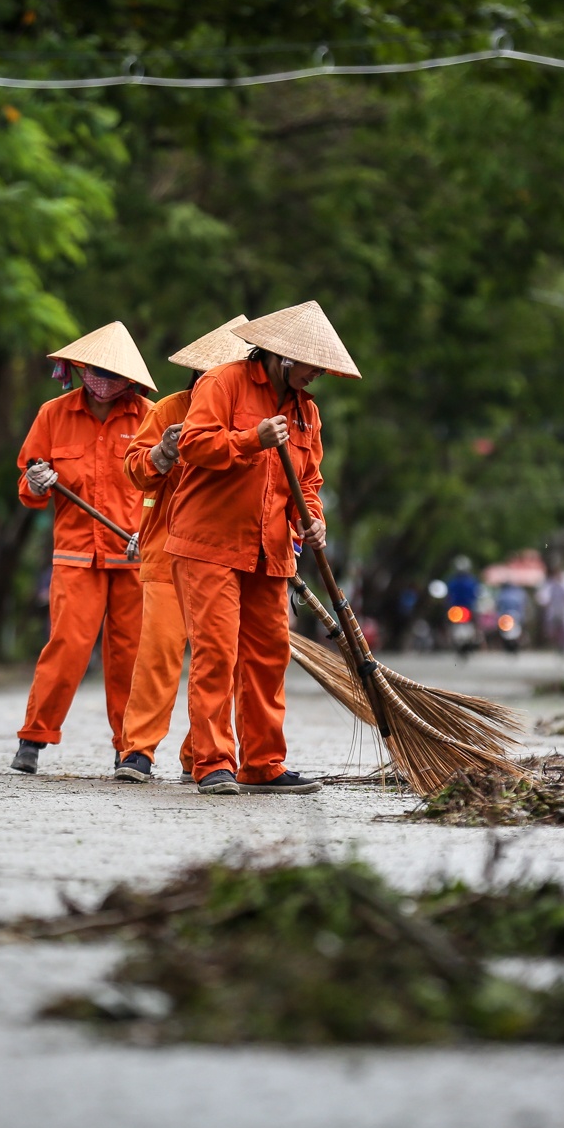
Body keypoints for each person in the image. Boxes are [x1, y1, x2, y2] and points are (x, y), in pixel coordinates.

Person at [167, 299, 359, 794]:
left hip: (269, 551)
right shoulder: (222, 382)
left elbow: (308, 481)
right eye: (313, 364)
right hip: (208, 543)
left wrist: (312, 520)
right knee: (216, 653)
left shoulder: (306, 413)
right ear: (284, 356)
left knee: (269, 656)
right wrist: (250, 438)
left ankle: (263, 764)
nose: (317, 374)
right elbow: (192, 445)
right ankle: (213, 763)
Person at [10, 321, 155, 775]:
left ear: (129, 379)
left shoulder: (151, 416)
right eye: (94, 370)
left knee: (130, 656)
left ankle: (130, 750)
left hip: (134, 557)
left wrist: (149, 531)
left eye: (111, 373)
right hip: (76, 557)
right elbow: (29, 485)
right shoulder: (52, 415)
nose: (101, 379)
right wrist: (36, 481)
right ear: (79, 367)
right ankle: (33, 739)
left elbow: (168, 485)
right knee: (67, 646)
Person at [114, 315, 250, 782]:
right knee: (159, 654)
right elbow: (134, 471)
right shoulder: (169, 411)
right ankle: (137, 751)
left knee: (220, 658)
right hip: (166, 552)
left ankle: (202, 756)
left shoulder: (252, 416)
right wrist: (163, 454)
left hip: (225, 556)